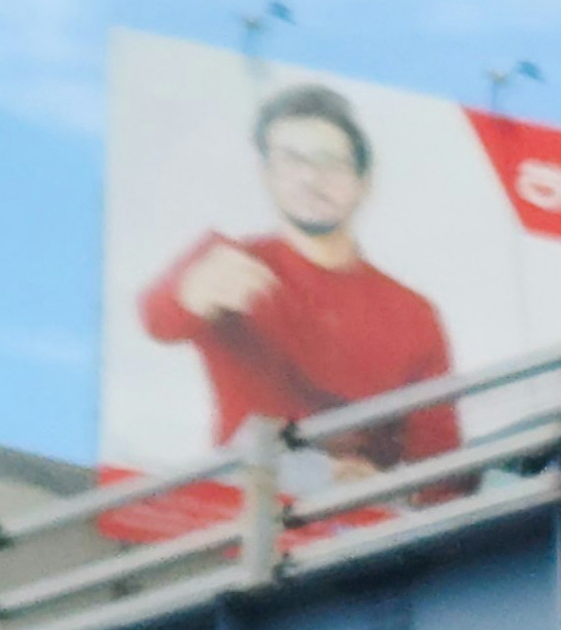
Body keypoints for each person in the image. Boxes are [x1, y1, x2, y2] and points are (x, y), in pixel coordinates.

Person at [141, 80, 462, 465]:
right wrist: (191, 295)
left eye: (331, 163)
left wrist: (384, 485)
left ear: (364, 182)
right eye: (291, 160)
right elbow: (156, 317)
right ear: (266, 173)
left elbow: (443, 464)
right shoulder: (228, 260)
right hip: (248, 505)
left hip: (363, 518)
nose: (310, 179)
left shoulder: (414, 314)